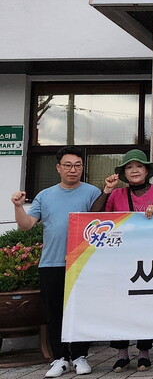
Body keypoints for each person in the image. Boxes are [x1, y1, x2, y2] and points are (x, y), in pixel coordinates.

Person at [10, 146, 101, 378]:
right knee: (54, 313)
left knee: (81, 311)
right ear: (58, 167)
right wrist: (18, 207)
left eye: (78, 165)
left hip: (82, 263)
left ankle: (80, 356)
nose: (73, 170)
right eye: (68, 165)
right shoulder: (45, 195)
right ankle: (60, 359)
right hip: (51, 263)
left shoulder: (92, 192)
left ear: (83, 168)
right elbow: (26, 225)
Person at [90, 149, 153, 372]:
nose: (134, 170)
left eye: (139, 166)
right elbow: (94, 217)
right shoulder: (116, 195)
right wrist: (106, 190)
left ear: (147, 171)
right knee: (119, 306)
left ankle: (143, 353)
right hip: (121, 259)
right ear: (123, 173)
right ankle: (121, 354)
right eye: (129, 167)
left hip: (151, 259)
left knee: (146, 305)